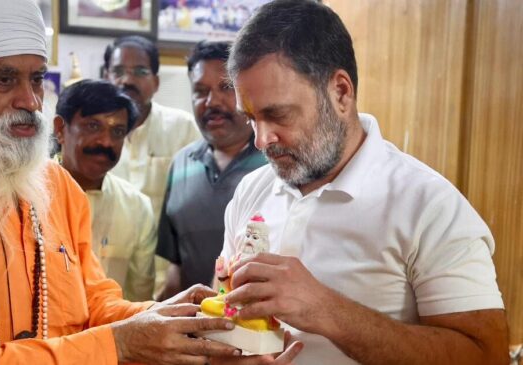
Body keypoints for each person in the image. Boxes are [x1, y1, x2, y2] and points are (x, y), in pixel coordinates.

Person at [0, 0, 244, 363]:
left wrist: (164, 317)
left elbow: (93, 302)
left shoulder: (57, 186)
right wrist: (118, 344)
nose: (31, 101)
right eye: (5, 80)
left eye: (35, 79)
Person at [211, 0, 510, 364]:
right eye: (252, 118)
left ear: (340, 92)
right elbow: (231, 317)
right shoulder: (251, 190)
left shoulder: (429, 206)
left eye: (278, 115)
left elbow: (487, 355)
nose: (261, 140)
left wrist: (326, 309)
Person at [157, 41, 266, 300]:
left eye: (226, 88)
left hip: (259, 331)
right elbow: (177, 267)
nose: (212, 101)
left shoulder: (276, 160)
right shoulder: (181, 164)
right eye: (200, 90)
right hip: (192, 330)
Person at [104, 35, 201, 296]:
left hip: (167, 281)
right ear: (106, 76)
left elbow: (194, 205)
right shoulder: (92, 137)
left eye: (140, 71)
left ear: (156, 82)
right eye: (118, 71)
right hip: (105, 279)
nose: (127, 80)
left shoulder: (183, 128)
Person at [54, 79, 156, 302]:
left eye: (118, 131)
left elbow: (139, 297)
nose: (106, 142)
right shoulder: (27, 198)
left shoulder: (136, 207)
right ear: (60, 130)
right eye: (93, 126)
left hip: (115, 334)